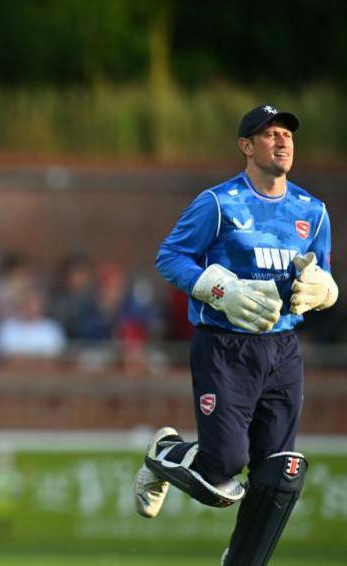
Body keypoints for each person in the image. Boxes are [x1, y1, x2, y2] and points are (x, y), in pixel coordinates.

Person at [133, 104, 337, 565]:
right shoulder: (219, 204)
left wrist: (325, 290)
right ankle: (165, 452)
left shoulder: (314, 211)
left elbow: (320, 273)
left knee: (279, 474)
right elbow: (171, 257)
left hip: (283, 349)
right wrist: (219, 289)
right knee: (221, 475)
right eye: (269, 135)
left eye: (287, 134)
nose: (282, 141)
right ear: (246, 147)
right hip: (225, 346)